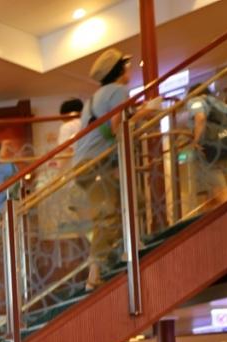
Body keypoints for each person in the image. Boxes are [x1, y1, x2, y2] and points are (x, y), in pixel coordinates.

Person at [73, 48, 132, 288]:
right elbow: (116, 127)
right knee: (107, 215)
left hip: (84, 165)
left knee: (129, 201)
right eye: (126, 65)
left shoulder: (93, 98)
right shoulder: (118, 91)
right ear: (119, 70)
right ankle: (94, 276)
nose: (129, 69)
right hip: (96, 164)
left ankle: (122, 250)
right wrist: (146, 114)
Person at [189, 86, 227, 206]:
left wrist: (196, 141)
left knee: (222, 195)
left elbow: (200, 118)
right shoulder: (221, 105)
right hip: (226, 150)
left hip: (210, 153)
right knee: (226, 192)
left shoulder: (197, 102)